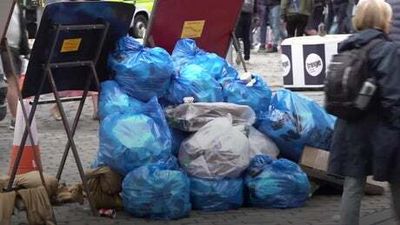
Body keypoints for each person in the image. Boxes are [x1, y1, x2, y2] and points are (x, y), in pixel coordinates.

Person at [328, 0, 400, 224]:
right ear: (384, 20)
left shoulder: (347, 45)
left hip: (350, 126)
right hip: (381, 128)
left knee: (352, 186)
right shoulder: (387, 49)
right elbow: (393, 94)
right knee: (396, 182)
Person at [0, 2, 30, 130]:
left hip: (14, 46)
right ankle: (16, 119)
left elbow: (21, 25)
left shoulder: (15, 4)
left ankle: (16, 118)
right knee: (13, 82)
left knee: (15, 82)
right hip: (6, 46)